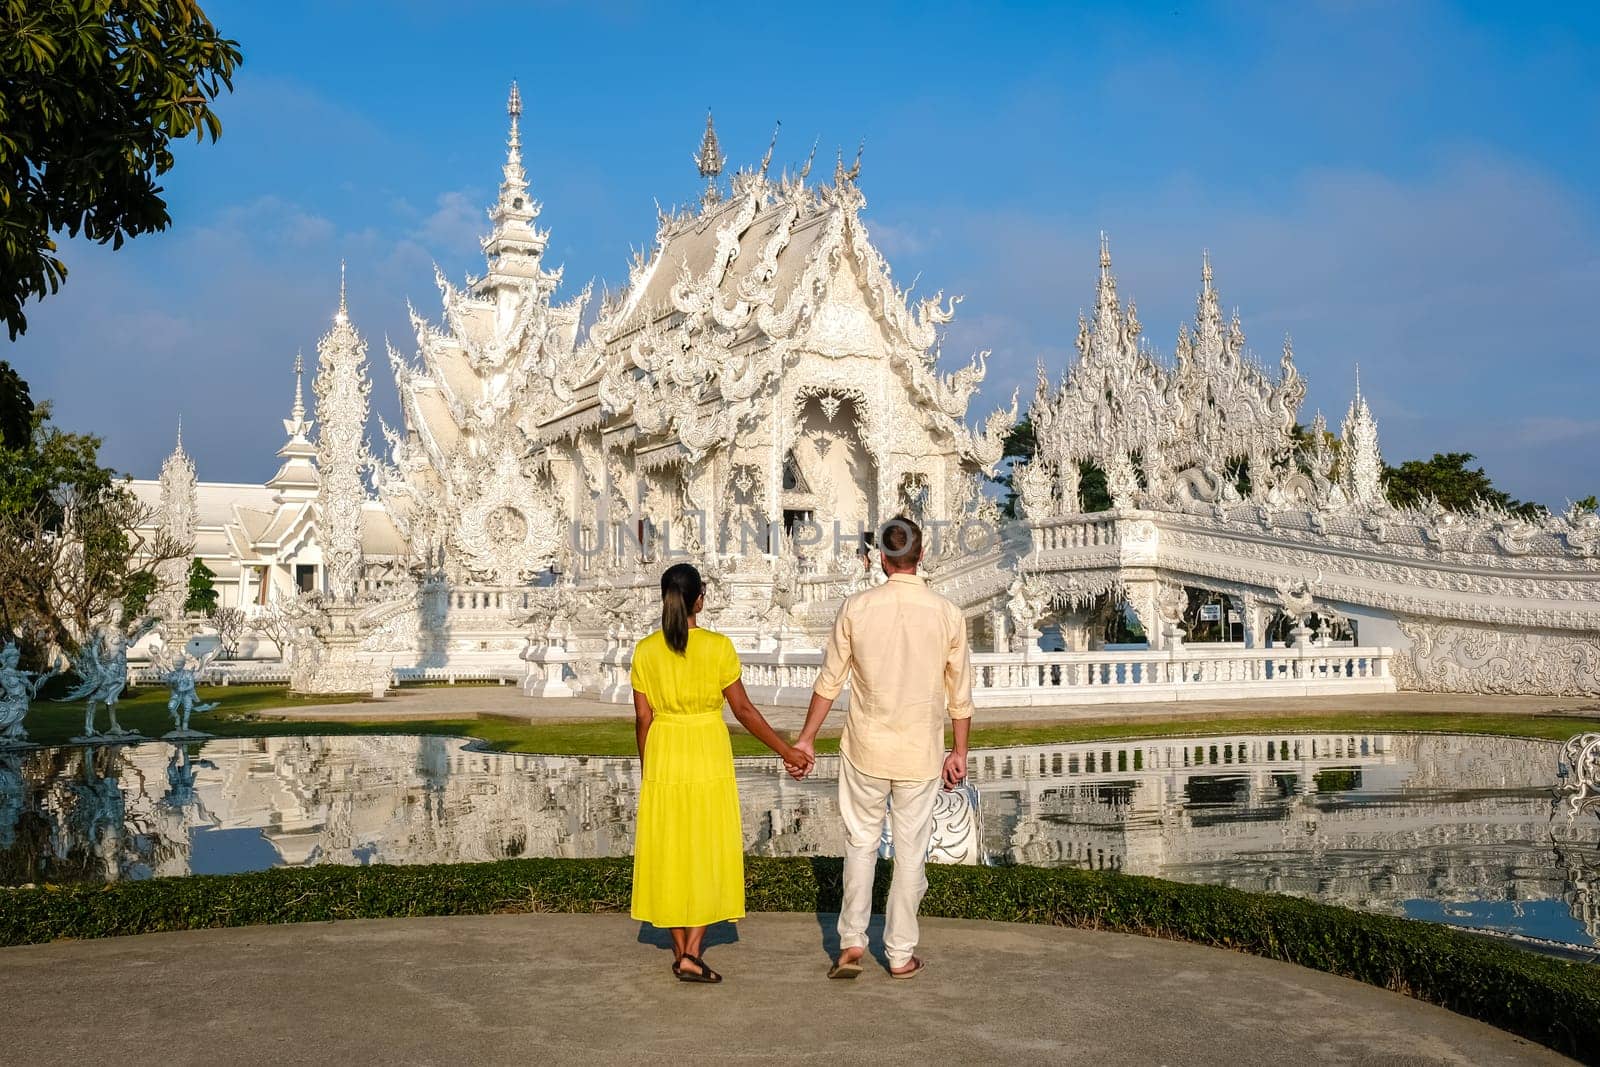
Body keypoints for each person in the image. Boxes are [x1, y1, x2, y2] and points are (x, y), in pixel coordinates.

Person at [792, 516, 973, 980]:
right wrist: (959, 753)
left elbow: (829, 682)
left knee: (860, 845)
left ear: (879, 558)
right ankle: (898, 953)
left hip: (866, 748)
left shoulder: (857, 607)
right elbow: (960, 695)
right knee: (911, 851)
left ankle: (852, 941)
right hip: (919, 752)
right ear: (922, 555)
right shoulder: (946, 612)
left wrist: (807, 738)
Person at [630, 562, 813, 983]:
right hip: (706, 750)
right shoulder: (717, 647)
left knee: (670, 849)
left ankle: (683, 951)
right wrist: (787, 750)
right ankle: (691, 952)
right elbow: (744, 711)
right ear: (700, 599)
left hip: (665, 751)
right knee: (704, 845)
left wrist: (648, 766)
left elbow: (643, 719)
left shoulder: (645, 651)